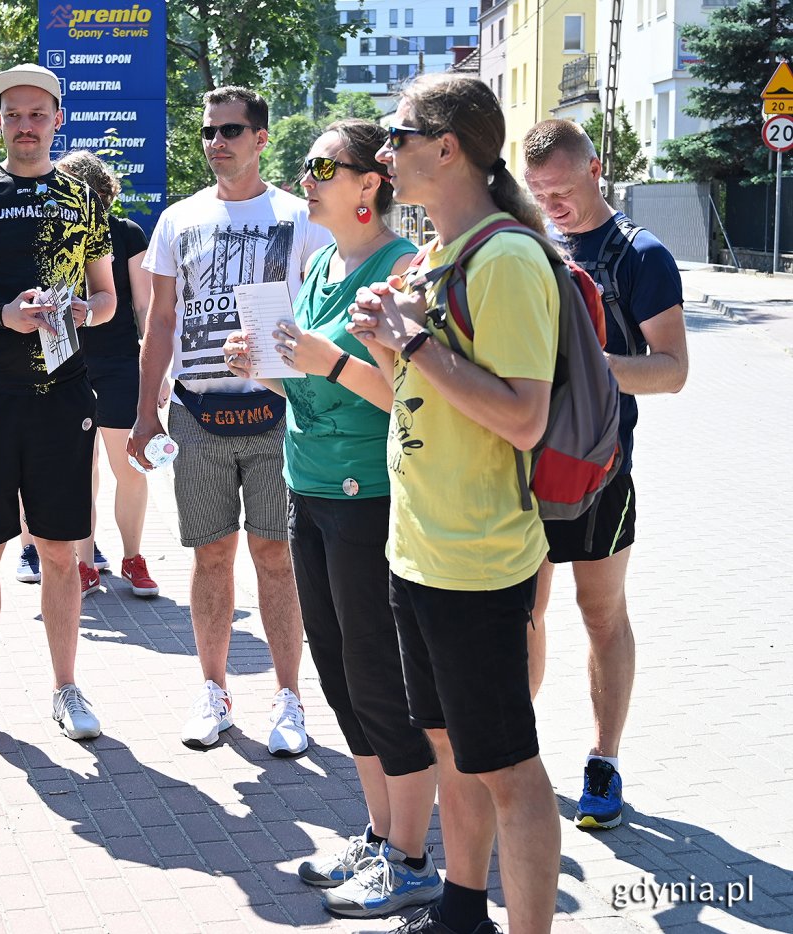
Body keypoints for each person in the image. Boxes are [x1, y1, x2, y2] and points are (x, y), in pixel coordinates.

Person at [348, 74, 562, 934]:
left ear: (449, 148)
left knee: (509, 768)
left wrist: (415, 343)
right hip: (419, 550)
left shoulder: (505, 257)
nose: (383, 152)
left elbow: (522, 415)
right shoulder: (439, 254)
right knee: (449, 751)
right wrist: (388, 343)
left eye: (398, 136)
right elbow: (430, 394)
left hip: (476, 558)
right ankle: (463, 910)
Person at [223, 119, 440, 919]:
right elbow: (307, 389)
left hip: (370, 496)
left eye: (322, 166)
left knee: (380, 677)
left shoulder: (403, 269)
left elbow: (413, 395)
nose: (304, 177)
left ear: (368, 183)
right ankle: (381, 837)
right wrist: (268, 372)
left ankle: (414, 860)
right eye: (304, 165)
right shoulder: (315, 265)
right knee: (342, 679)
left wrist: (331, 360)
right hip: (306, 486)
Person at [130, 86, 330, 756]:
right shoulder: (178, 218)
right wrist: (143, 413)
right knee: (210, 556)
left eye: (232, 130)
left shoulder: (302, 218)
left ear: (261, 139)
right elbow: (160, 320)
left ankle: (289, 699)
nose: (218, 142)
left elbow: (324, 317)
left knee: (276, 558)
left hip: (277, 411)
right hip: (196, 413)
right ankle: (213, 692)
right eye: (209, 130)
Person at [0, 63, 116, 747]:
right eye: (15, 115)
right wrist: (3, 315)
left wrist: (76, 312)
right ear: (0, 121)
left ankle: (67, 689)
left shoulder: (80, 199)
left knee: (61, 552)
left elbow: (108, 299)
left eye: (39, 114)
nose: (27, 125)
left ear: (57, 119)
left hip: (61, 399)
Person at [521, 119, 688, 830]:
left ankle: (604, 760)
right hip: (524, 464)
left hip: (599, 469)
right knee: (521, 613)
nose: (551, 205)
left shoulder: (640, 256)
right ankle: (514, 755)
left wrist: (590, 372)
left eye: (560, 190)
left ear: (595, 171)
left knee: (600, 614)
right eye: (538, 193)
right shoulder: (526, 246)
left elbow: (674, 371)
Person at [55, 149, 164, 599]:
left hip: (120, 364)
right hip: (66, 366)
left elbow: (145, 306)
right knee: (79, 471)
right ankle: (83, 565)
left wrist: (157, 374)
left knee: (131, 467)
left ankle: (134, 559)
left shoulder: (127, 233)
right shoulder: (50, 237)